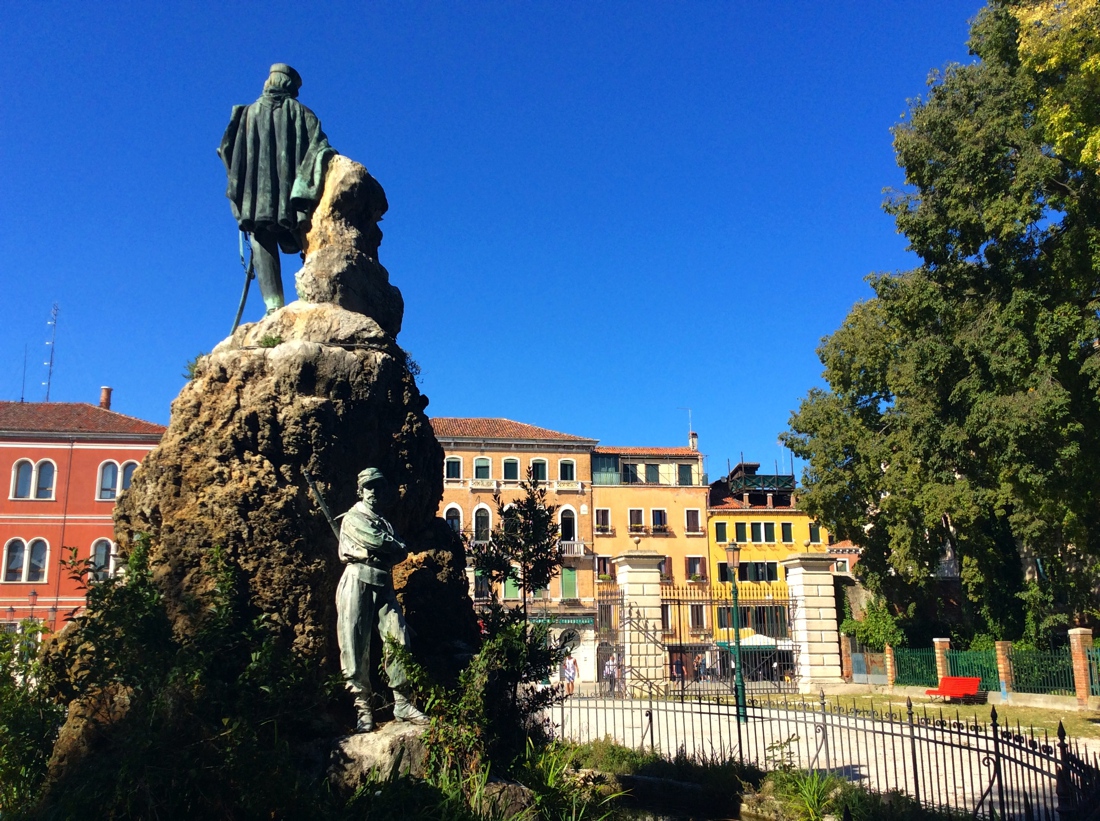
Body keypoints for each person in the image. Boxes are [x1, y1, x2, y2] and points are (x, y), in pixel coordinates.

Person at [218, 64, 339, 315]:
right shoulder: (303, 114)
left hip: (256, 196)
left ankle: (273, 305)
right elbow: (321, 149)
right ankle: (311, 294)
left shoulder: (246, 115)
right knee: (305, 236)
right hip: (294, 198)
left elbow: (228, 151)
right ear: (290, 86)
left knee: (261, 235)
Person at [335, 467, 427, 733]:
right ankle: (362, 707)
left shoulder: (384, 521)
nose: (374, 492)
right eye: (369, 487)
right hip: (357, 578)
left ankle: (402, 702)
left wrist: (388, 547)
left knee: (398, 638)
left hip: (382, 580)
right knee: (354, 642)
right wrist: (388, 547)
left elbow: (400, 550)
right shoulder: (353, 518)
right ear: (360, 491)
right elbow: (381, 542)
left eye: (378, 487)